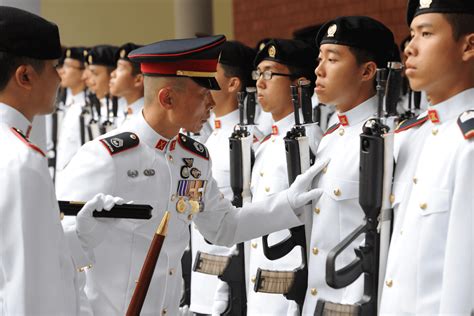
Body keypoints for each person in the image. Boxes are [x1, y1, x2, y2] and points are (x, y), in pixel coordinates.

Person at [57, 35, 327, 315]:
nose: (212, 102)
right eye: (202, 94)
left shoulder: (193, 157)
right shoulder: (106, 157)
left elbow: (223, 226)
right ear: (168, 98)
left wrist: (287, 204)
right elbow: (60, 249)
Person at [0, 6, 122, 315]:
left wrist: (75, 237)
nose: (59, 77)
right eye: (54, 66)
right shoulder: (20, 160)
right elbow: (29, 291)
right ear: (25, 76)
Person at [380, 1, 473, 314]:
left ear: (469, 45)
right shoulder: (409, 136)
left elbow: (464, 283)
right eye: (411, 34)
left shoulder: (468, 143)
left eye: (426, 34)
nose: (410, 48)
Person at [302, 16, 398, 314]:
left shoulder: (388, 138)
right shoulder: (331, 136)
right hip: (316, 302)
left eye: (332, 59)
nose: (318, 69)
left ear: (367, 71)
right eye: (320, 59)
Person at [245, 38, 320, 316]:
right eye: (258, 74)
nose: (260, 83)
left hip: (290, 298)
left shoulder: (308, 142)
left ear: (298, 84)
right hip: (260, 292)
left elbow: (310, 225)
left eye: (269, 73)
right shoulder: (266, 144)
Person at [188, 40, 256, 315]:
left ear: (232, 84)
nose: (204, 83)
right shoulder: (211, 137)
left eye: (212, 74)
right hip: (202, 277)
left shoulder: (248, 140)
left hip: (228, 280)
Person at [55, 46, 88, 188]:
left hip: (77, 182)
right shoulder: (64, 105)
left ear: (83, 73)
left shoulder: (88, 108)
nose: (62, 70)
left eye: (68, 66)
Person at [109, 43, 144, 126]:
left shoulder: (146, 118)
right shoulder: (122, 112)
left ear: (138, 80)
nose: (112, 74)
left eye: (120, 68)